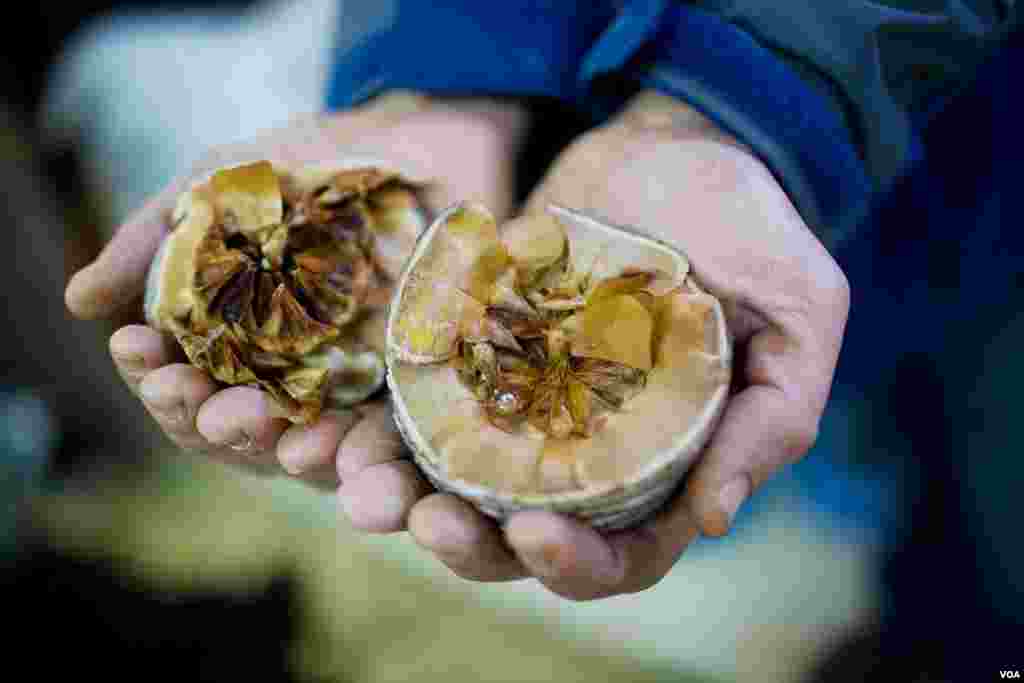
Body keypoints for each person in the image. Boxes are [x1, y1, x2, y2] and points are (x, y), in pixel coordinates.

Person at [64, 0, 1017, 609]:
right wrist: (455, 61)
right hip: (635, 124)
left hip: (948, 149)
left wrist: (757, 100)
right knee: (820, 462)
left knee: (969, 457)